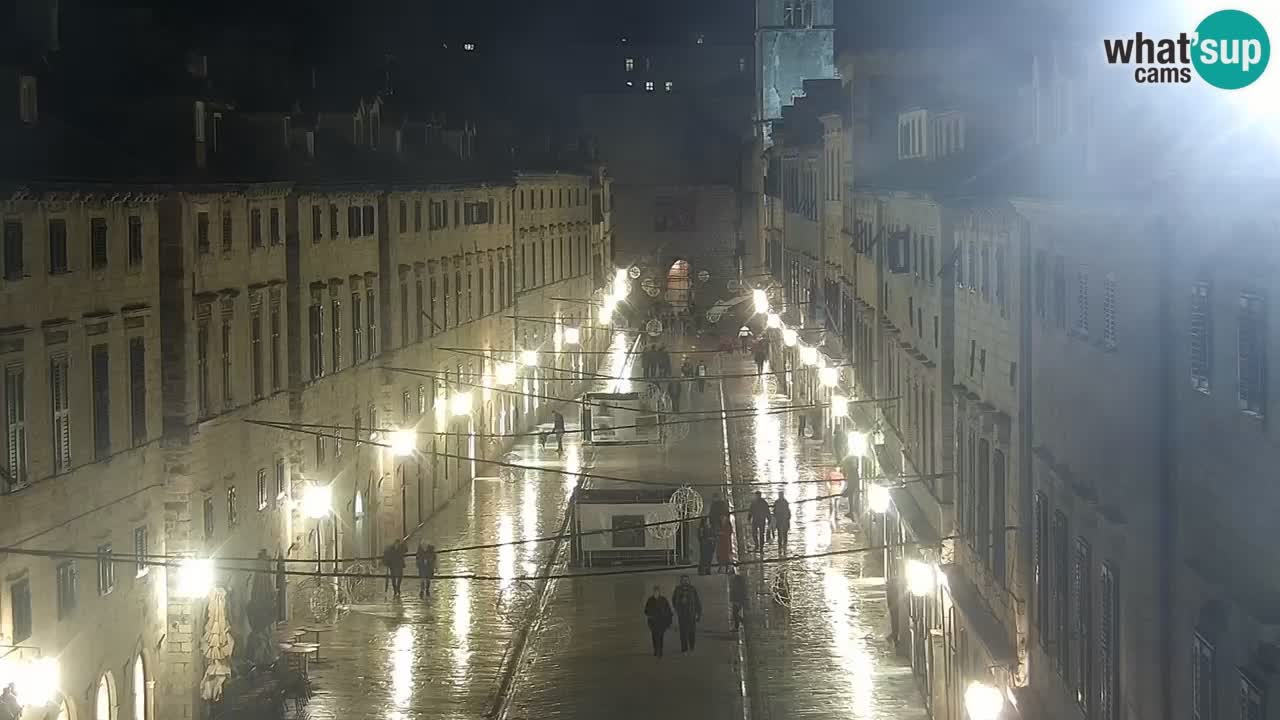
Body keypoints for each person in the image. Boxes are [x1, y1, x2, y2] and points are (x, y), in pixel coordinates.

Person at [670, 575, 703, 652]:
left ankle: (691, 645)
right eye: (683, 580)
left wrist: (698, 613)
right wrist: (677, 607)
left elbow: (697, 601)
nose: (685, 581)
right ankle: (684, 648)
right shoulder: (678, 589)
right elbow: (674, 600)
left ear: (689, 581)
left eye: (686, 580)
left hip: (691, 613)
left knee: (692, 631)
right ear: (681, 581)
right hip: (682, 614)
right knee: (683, 632)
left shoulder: (692, 589)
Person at [643, 585, 674, 657]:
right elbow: (645, 610)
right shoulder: (650, 600)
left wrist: (668, 621)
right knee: (654, 636)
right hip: (653, 621)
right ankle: (655, 650)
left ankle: (660, 650)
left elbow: (668, 610)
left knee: (660, 636)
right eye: (655, 591)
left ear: (659, 592)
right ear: (653, 592)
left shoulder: (663, 599)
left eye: (657, 591)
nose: (656, 593)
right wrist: (649, 614)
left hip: (661, 621)